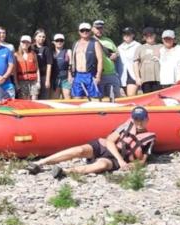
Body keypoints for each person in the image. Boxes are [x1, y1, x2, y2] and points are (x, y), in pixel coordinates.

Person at [26, 106, 155, 178]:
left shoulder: (149, 139)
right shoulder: (126, 125)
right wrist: (121, 160)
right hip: (105, 148)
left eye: (141, 120)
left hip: (115, 159)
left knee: (101, 166)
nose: (138, 123)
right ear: (132, 119)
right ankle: (39, 163)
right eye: (136, 119)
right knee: (79, 150)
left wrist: (131, 165)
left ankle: (64, 172)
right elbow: (110, 141)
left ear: (146, 120)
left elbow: (143, 160)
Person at [70, 23, 103, 100]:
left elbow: (100, 60)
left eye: (87, 30)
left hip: (90, 75)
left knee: (94, 99)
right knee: (76, 98)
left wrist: (98, 76)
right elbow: (72, 60)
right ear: (79, 32)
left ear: (90, 31)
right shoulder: (75, 44)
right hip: (78, 75)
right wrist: (71, 74)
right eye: (82, 30)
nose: (85, 32)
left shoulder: (95, 43)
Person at [93, 20, 121, 100]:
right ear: (93, 29)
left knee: (115, 99)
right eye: (97, 28)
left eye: (101, 28)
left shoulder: (109, 40)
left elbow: (117, 53)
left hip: (111, 74)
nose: (99, 30)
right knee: (98, 99)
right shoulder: (90, 41)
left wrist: (116, 55)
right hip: (97, 75)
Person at [134, 27, 163, 93]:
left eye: (151, 35)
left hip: (159, 78)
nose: (149, 37)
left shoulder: (161, 46)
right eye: (147, 35)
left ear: (155, 35)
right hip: (145, 79)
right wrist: (137, 78)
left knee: (159, 97)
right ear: (144, 37)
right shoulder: (140, 48)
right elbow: (135, 63)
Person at [15, 35, 40, 100]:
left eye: (27, 42)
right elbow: (14, 71)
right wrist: (16, 83)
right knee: (24, 100)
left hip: (33, 81)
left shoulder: (33, 54)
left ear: (30, 44)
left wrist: (38, 82)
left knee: (34, 99)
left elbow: (37, 69)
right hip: (22, 81)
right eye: (23, 42)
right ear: (20, 43)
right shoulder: (16, 55)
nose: (25, 44)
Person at [118, 28, 141, 97]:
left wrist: (138, 77)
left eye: (128, 34)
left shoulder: (138, 46)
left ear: (133, 35)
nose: (126, 36)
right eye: (124, 34)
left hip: (133, 74)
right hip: (122, 75)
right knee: (126, 96)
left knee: (131, 95)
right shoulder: (119, 47)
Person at [32, 29, 54, 99]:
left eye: (43, 37)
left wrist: (47, 80)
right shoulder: (31, 48)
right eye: (39, 36)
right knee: (34, 97)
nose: (41, 38)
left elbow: (49, 65)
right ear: (35, 37)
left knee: (44, 98)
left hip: (44, 77)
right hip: (34, 78)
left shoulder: (47, 49)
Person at [50, 34, 72, 99]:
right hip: (55, 79)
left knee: (67, 97)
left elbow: (71, 64)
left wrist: (70, 75)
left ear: (64, 42)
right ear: (54, 42)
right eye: (57, 40)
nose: (59, 42)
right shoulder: (51, 53)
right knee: (55, 99)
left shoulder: (68, 51)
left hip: (65, 78)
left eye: (61, 40)